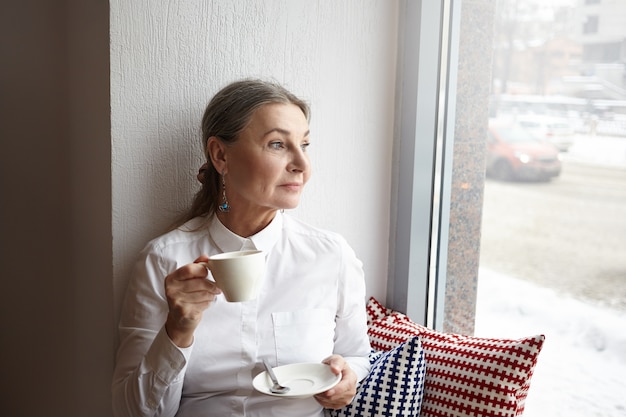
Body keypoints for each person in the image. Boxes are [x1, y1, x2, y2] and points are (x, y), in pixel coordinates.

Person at [112, 79, 371, 417]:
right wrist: (177, 330)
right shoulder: (164, 260)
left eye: (304, 145)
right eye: (278, 144)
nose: (302, 166)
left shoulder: (330, 256)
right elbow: (131, 411)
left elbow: (356, 355)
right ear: (221, 155)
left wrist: (347, 378)